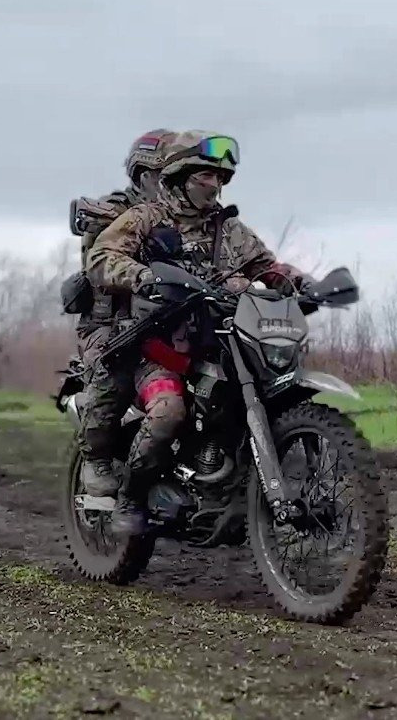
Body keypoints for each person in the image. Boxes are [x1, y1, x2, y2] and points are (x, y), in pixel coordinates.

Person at [86, 130, 320, 535]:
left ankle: (239, 483)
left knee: (264, 389)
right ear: (179, 177)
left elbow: (266, 266)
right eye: (205, 176)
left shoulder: (227, 227)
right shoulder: (146, 217)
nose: (215, 185)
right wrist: (143, 277)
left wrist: (302, 282)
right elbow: (102, 257)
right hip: (157, 342)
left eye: (220, 178)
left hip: (219, 336)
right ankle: (130, 497)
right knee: (168, 411)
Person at [70, 129, 178, 499]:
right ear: (143, 175)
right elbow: (99, 264)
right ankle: (95, 457)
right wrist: (140, 274)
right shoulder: (117, 213)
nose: (169, 185)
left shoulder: (191, 217)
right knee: (115, 367)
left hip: (168, 322)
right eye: (162, 176)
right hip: (111, 323)